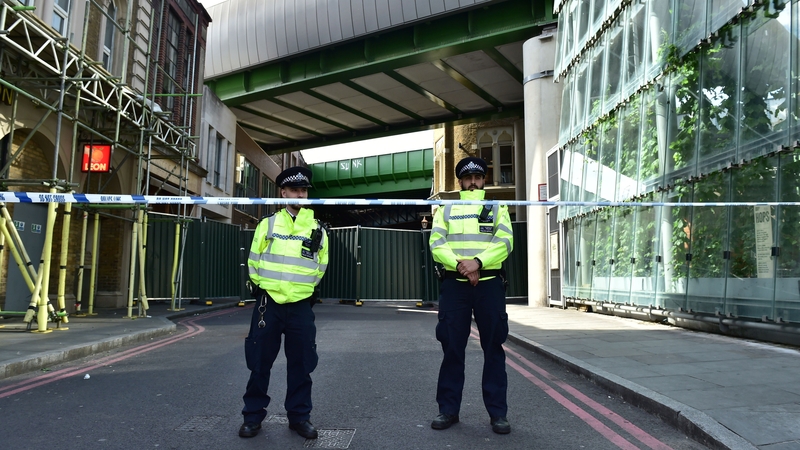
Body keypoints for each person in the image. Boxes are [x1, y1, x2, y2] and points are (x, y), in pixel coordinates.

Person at [239, 166, 329, 440]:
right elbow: (253, 262)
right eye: (294, 190)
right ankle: (252, 417)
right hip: (269, 303)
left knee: (302, 364)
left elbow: (321, 266)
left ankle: (299, 417)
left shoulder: (317, 229)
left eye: (303, 190)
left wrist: (302, 292)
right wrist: (266, 289)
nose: (300, 195)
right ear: (283, 192)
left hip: (301, 305)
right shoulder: (266, 225)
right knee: (259, 363)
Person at [428, 156, 514, 434]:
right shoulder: (446, 208)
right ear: (461, 181)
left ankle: (498, 415)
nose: (473, 182)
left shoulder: (496, 207)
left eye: (478, 177)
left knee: (493, 348)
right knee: (452, 348)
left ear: (484, 180)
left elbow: (505, 242)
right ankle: (448, 411)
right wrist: (460, 266)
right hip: (455, 285)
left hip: (488, 284)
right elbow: (436, 243)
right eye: (468, 178)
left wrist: (477, 262)